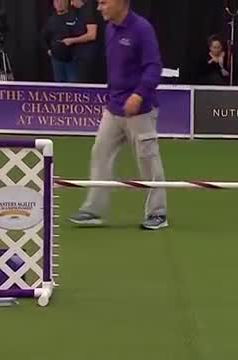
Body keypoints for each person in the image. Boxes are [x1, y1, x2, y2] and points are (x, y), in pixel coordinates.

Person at [69, 0, 168, 230]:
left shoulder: (142, 29)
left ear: (120, 2)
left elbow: (154, 67)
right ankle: (94, 210)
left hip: (140, 111)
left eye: (104, 2)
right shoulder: (110, 28)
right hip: (113, 109)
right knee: (100, 153)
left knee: (148, 161)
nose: (99, 7)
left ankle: (158, 213)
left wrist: (139, 95)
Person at [61, 0, 99, 83]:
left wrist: (72, 40)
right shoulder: (78, 12)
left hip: (87, 58)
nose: (71, 3)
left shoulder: (88, 11)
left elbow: (92, 35)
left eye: (72, 0)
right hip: (77, 56)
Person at [42, 0, 78, 83]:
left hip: (73, 59)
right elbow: (43, 36)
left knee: (74, 87)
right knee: (60, 87)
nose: (60, 4)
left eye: (62, 1)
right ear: (54, 4)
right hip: (57, 60)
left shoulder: (74, 17)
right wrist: (48, 50)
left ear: (67, 2)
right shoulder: (51, 20)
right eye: (57, 1)